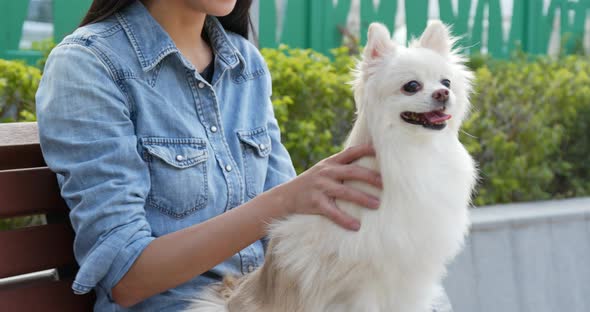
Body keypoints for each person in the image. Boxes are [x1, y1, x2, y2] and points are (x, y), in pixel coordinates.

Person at [35, 0, 384, 310]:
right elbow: (127, 278)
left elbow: (288, 238)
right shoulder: (89, 63)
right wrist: (284, 201)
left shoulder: (244, 62)